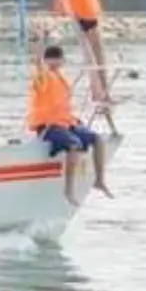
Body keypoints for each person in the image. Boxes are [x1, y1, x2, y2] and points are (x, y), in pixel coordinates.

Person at [28, 40, 113, 205]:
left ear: (62, 60)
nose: (55, 61)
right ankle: (68, 190)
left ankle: (99, 180)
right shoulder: (44, 77)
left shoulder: (62, 78)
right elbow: (38, 66)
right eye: (51, 58)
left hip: (66, 123)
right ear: (46, 60)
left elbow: (63, 104)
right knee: (74, 145)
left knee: (98, 139)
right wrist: (39, 46)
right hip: (48, 126)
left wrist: (76, 121)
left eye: (57, 58)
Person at [52, 0, 116, 131]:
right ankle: (102, 92)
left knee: (95, 56)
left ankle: (100, 91)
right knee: (97, 55)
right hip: (85, 14)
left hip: (85, 14)